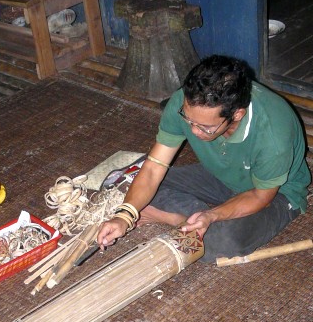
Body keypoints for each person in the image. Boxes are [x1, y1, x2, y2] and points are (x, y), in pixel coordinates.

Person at [97, 55, 311, 262]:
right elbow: (154, 167)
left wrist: (211, 215)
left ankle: (175, 218)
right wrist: (124, 216)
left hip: (275, 193)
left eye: (205, 127)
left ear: (237, 114)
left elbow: (260, 196)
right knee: (124, 181)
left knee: (221, 241)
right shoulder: (185, 102)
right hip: (222, 175)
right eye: (189, 120)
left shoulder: (273, 134)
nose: (194, 131)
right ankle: (192, 221)